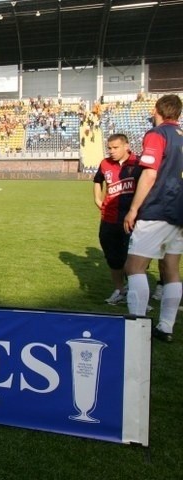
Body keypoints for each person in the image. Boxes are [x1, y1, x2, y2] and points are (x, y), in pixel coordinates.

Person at [123, 94, 183, 343]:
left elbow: (149, 174)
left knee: (134, 267)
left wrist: (134, 208)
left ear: (157, 109)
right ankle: (166, 327)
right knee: (171, 268)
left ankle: (136, 327)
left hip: (158, 207)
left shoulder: (157, 134)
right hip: (179, 211)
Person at [92, 134, 141, 305]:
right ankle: (120, 290)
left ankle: (136, 295)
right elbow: (97, 180)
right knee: (113, 258)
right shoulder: (105, 164)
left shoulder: (138, 163)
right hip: (109, 219)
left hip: (132, 220)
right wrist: (98, 199)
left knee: (133, 260)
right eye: (109, 148)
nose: (111, 151)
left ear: (126, 146)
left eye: (115, 147)